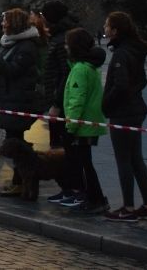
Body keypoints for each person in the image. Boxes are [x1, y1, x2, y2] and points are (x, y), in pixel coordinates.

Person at [101, 11, 147, 222]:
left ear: (115, 30)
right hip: (136, 109)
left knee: (123, 160)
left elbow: (121, 85)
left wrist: (106, 103)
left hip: (123, 112)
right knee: (136, 159)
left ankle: (128, 207)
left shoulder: (121, 54)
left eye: (107, 26)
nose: (105, 29)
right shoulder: (134, 49)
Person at [0, 8, 42, 197]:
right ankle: (18, 181)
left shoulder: (26, 47)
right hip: (9, 98)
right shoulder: (10, 43)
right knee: (14, 141)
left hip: (18, 101)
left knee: (17, 144)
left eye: (6, 22)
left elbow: (12, 71)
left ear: (15, 24)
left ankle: (22, 182)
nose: (2, 24)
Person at [60, 28, 109, 214]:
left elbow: (76, 100)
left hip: (82, 125)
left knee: (85, 164)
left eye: (67, 44)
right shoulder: (88, 67)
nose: (65, 47)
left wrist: (70, 125)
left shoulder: (80, 69)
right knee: (85, 163)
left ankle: (96, 198)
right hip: (88, 123)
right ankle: (94, 197)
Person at [40, 0, 79, 204]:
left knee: (66, 149)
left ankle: (74, 189)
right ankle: (67, 188)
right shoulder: (57, 36)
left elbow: (65, 73)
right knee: (60, 147)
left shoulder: (62, 38)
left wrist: (56, 102)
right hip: (56, 98)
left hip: (61, 101)